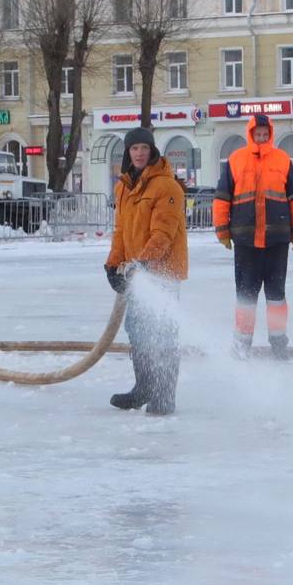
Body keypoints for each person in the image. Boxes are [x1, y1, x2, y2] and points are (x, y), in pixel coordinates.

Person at [102, 127, 189, 416]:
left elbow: (163, 233)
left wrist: (143, 263)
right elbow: (121, 232)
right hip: (136, 272)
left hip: (162, 272)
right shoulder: (124, 187)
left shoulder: (167, 187)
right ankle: (144, 388)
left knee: (163, 334)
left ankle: (163, 396)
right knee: (137, 330)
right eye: (134, 148)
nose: (139, 153)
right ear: (127, 153)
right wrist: (113, 264)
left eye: (143, 148)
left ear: (152, 150)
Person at [212, 114, 293, 359]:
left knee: (276, 297)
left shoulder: (282, 159)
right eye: (258, 134)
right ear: (250, 134)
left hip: (277, 240)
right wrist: (222, 230)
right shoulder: (235, 159)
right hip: (246, 241)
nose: (262, 137)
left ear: (271, 134)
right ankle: (241, 344)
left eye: (266, 134)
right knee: (246, 297)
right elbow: (222, 198)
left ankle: (278, 344)